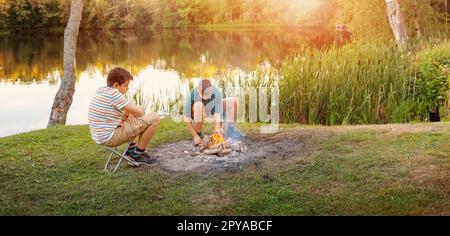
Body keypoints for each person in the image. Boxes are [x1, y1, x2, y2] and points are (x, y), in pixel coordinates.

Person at [88, 67, 160, 165]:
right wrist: (133, 113)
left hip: (100, 136)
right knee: (154, 117)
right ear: (116, 85)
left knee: (135, 112)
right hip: (110, 137)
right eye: (126, 86)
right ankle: (137, 155)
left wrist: (131, 113)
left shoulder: (103, 91)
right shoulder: (114, 94)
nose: (127, 89)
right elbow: (140, 113)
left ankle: (130, 151)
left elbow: (136, 110)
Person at [183, 79, 244, 146]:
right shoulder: (194, 94)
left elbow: (217, 113)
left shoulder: (216, 92)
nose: (207, 97)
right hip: (198, 111)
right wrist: (195, 135)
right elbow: (186, 118)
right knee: (199, 105)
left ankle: (231, 130)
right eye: (205, 95)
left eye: (209, 94)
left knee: (234, 101)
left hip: (211, 110)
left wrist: (217, 128)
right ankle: (198, 134)